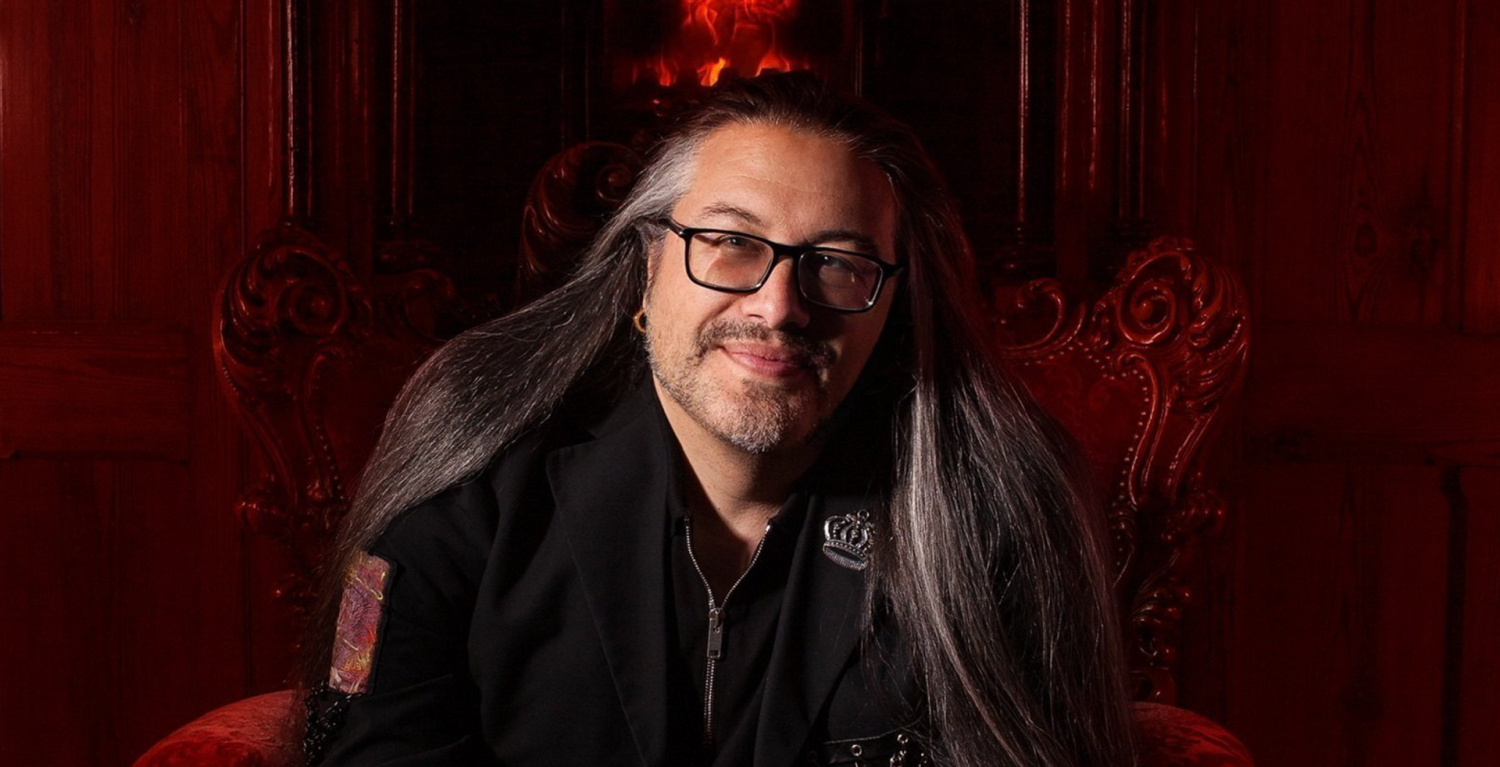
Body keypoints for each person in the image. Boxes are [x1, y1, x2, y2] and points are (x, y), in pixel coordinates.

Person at [299, 72, 1137, 767]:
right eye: (732, 242)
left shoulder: (998, 508)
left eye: (836, 263)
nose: (778, 307)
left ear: (894, 302)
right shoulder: (468, 479)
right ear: (647, 263)